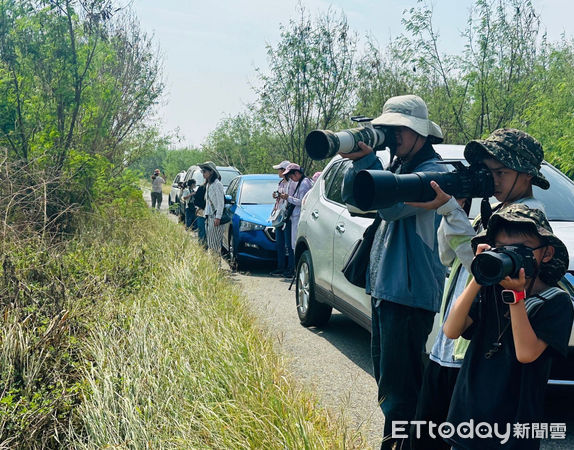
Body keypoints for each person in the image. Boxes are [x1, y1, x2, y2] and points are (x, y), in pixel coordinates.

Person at [408, 129, 549, 450]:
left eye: (502, 172)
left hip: (471, 353)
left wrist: (451, 212)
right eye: (489, 172)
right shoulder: (492, 215)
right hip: (447, 347)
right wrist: (454, 207)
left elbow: (484, 269)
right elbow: (448, 256)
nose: (493, 180)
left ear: (526, 176)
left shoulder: (528, 221)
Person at [340, 94, 447, 450]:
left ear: (420, 133)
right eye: (386, 129)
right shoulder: (399, 167)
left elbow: (391, 208)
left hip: (409, 296)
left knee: (402, 393)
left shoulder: (433, 174)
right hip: (388, 291)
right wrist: (360, 161)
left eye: (398, 129)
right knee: (390, 387)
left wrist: (368, 159)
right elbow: (355, 198)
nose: (392, 136)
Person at [443, 204, 572, 450]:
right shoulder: (490, 288)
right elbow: (451, 330)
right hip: (468, 417)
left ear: (546, 253)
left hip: (514, 429)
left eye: (521, 250)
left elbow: (526, 353)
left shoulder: (556, 300)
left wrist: (516, 297)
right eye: (502, 249)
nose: (510, 256)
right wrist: (477, 278)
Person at [279, 163, 313, 278]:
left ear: (297, 173)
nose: (291, 178)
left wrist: (287, 197)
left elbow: (301, 201)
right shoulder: (302, 182)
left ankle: (296, 271)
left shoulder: (304, 184)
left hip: (298, 217)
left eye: (291, 175)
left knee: (295, 245)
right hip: (295, 217)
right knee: (293, 245)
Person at [269, 160, 294, 277]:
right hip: (279, 215)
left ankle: (290, 268)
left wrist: (284, 196)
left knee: (289, 244)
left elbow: (291, 198)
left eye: (280, 169)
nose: (278, 172)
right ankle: (281, 267)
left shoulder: (292, 183)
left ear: (285, 171)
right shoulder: (280, 183)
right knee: (279, 243)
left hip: (288, 217)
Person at [201, 161, 225, 253]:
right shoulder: (208, 185)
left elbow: (220, 203)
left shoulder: (217, 184)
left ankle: (216, 266)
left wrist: (218, 217)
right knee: (211, 243)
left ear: (211, 172)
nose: (203, 174)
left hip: (215, 217)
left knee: (215, 244)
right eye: (202, 172)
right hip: (209, 217)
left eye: (204, 171)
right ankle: (213, 265)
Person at [194, 180, 207, 246]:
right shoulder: (202, 188)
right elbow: (196, 200)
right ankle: (202, 247)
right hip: (201, 212)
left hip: (209, 214)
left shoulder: (216, 188)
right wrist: (200, 207)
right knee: (201, 230)